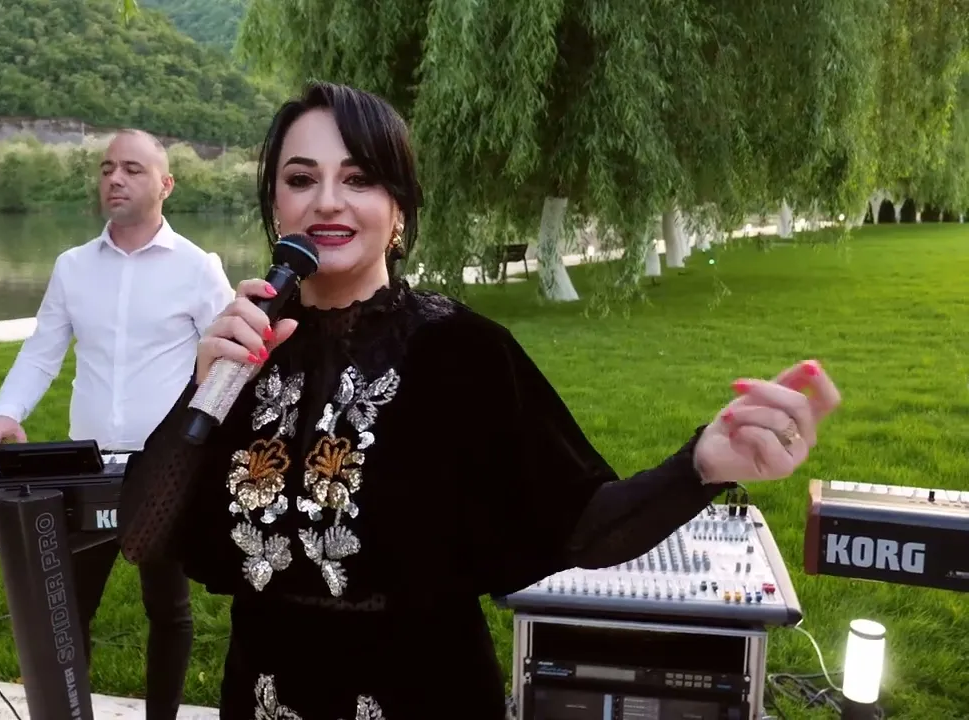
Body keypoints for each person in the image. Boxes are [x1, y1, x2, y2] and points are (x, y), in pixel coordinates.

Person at [116, 84, 842, 720]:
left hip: (422, 695)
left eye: (359, 178)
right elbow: (141, 537)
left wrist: (700, 466)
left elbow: (585, 528)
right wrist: (204, 384)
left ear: (399, 210)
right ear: (276, 206)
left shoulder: (462, 352)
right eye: (301, 178)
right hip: (264, 696)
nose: (328, 201)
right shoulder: (246, 352)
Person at [0, 129, 233, 720]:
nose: (115, 178)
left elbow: (229, 363)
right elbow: (41, 352)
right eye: (107, 168)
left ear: (165, 184)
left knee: (168, 608)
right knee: (69, 609)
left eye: (132, 169)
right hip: (85, 467)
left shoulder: (198, 268)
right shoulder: (72, 267)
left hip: (164, 469)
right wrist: (4, 413)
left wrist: (207, 443)